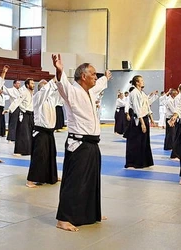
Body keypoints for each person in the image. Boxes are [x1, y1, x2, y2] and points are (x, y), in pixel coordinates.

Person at [52, 54, 111, 232]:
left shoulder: (90, 92)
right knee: (74, 181)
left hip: (92, 144)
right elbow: (62, 85)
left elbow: (100, 84)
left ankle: (91, 212)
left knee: (92, 180)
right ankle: (64, 218)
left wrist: (105, 78)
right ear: (83, 76)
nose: (96, 77)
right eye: (93, 74)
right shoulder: (73, 91)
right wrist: (59, 70)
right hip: (78, 144)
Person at [26, 78, 61, 188]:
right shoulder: (37, 97)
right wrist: (53, 79)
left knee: (51, 155)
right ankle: (30, 180)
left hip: (49, 132)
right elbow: (46, 90)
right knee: (39, 156)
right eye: (46, 85)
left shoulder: (51, 99)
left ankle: (51, 176)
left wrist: (60, 82)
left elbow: (60, 95)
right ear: (42, 88)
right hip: (40, 132)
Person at [124, 75, 154, 169]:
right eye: (141, 80)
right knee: (136, 141)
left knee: (144, 141)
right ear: (137, 82)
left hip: (145, 117)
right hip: (138, 119)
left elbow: (147, 106)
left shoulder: (142, 93)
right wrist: (142, 123)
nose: (143, 82)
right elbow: (137, 109)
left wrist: (151, 118)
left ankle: (144, 161)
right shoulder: (134, 93)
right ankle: (133, 162)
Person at [14, 79, 35, 156]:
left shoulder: (32, 93)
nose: (33, 85)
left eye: (33, 83)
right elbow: (17, 102)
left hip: (31, 114)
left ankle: (28, 150)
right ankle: (18, 151)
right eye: (32, 83)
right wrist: (9, 109)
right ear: (27, 85)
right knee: (22, 132)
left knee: (30, 132)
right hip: (24, 114)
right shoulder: (24, 92)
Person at [169, 83, 181, 160]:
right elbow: (178, 109)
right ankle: (175, 155)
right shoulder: (178, 98)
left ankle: (180, 153)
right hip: (179, 119)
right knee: (178, 137)